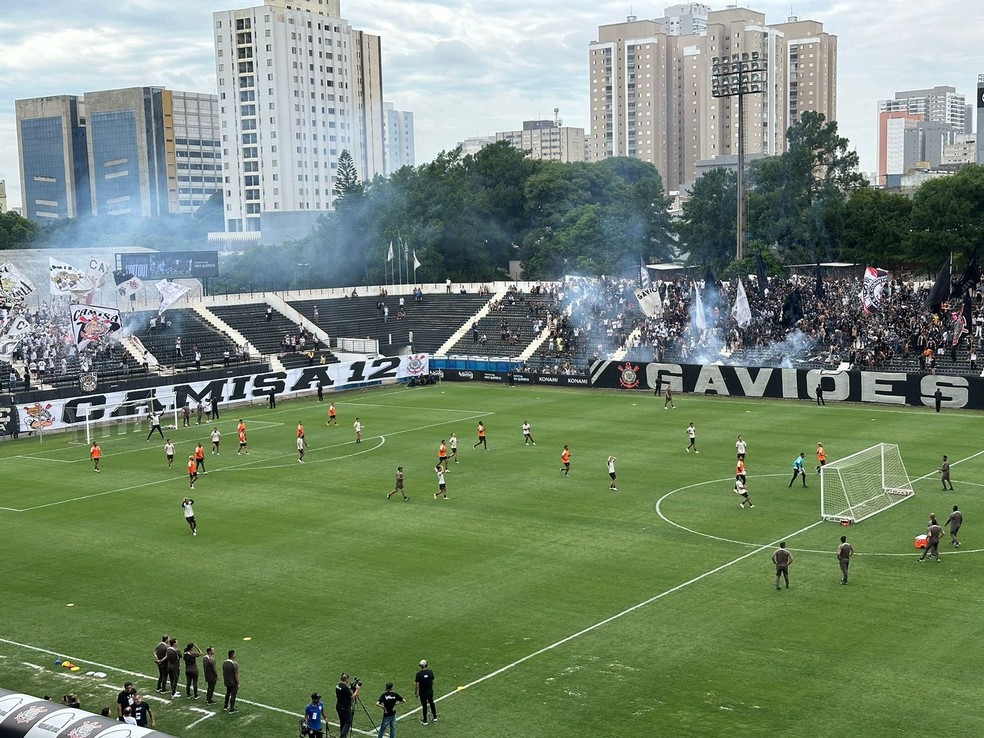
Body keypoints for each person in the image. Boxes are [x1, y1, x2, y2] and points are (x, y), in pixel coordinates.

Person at [335, 673, 360, 738]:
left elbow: (345, 692)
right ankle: (343, 736)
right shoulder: (345, 688)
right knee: (348, 721)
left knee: (342, 722)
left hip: (339, 706)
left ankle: (342, 735)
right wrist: (357, 690)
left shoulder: (338, 686)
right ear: (346, 679)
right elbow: (352, 697)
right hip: (345, 707)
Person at [415, 659, 437, 725]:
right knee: (431, 703)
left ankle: (425, 720)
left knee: (424, 705)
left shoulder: (419, 674)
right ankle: (435, 717)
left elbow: (417, 685)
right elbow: (433, 681)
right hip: (430, 691)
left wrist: (416, 692)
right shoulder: (430, 672)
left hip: (422, 692)